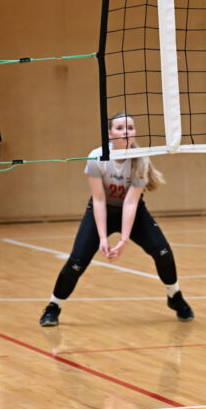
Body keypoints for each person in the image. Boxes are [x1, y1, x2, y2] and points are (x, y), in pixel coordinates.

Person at [38, 113, 193, 326]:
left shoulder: (141, 159)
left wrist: (123, 240)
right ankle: (53, 307)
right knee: (76, 263)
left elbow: (130, 203)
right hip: (101, 210)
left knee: (163, 252)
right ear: (110, 134)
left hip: (133, 213)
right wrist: (102, 238)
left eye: (130, 127)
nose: (126, 132)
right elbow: (99, 199)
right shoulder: (97, 156)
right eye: (120, 128)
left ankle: (174, 296)